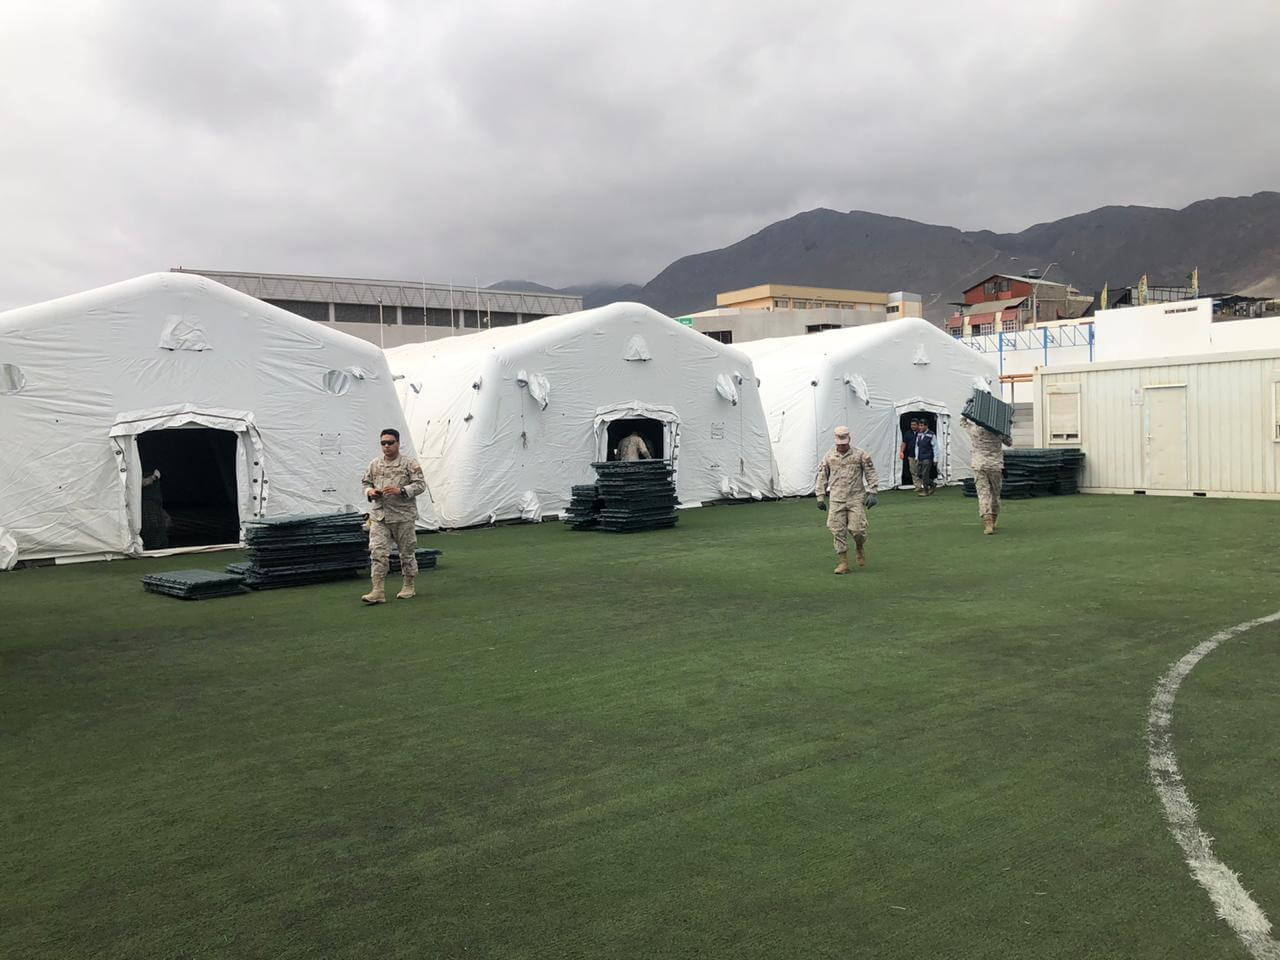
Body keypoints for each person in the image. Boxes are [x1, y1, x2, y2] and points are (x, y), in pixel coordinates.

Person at [361, 428, 427, 603]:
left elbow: (420, 484)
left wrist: (402, 490)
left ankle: (408, 585)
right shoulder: (375, 464)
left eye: (390, 442)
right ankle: (377, 590)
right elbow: (366, 482)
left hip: (403, 516)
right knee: (377, 552)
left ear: (398, 443)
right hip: (380, 516)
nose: (387, 446)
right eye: (383, 443)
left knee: (406, 552)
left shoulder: (409, 463)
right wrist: (370, 492)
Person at [815, 425, 879, 574]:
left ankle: (859, 546)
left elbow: (871, 472)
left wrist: (873, 492)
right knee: (837, 530)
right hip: (836, 499)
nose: (842, 446)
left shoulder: (860, 455)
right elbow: (822, 476)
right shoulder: (829, 456)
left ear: (849, 440)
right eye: (839, 443)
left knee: (857, 530)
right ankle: (843, 563)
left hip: (855, 497)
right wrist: (820, 496)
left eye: (844, 442)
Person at [962, 414, 1012, 535]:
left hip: (979, 465)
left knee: (983, 494)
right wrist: (1007, 425)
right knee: (995, 493)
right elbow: (1009, 442)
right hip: (995, 465)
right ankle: (993, 519)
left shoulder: (975, 430)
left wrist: (967, 411)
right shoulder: (999, 430)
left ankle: (988, 522)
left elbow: (963, 422)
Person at [914, 419, 938, 496]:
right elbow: (917, 446)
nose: (920, 427)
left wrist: (935, 458)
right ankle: (932, 484)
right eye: (919, 425)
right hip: (920, 457)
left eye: (922, 425)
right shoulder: (919, 434)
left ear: (926, 426)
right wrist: (916, 457)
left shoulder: (931, 434)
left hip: (928, 457)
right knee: (919, 474)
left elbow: (935, 447)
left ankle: (926, 491)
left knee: (925, 474)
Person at [899, 419, 922, 492]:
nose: (913, 426)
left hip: (921, 455)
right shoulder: (907, 433)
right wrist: (901, 451)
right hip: (911, 455)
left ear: (918, 425)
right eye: (912, 425)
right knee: (913, 471)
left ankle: (925, 484)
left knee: (921, 471)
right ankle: (917, 486)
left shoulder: (921, 433)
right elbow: (904, 443)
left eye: (914, 425)